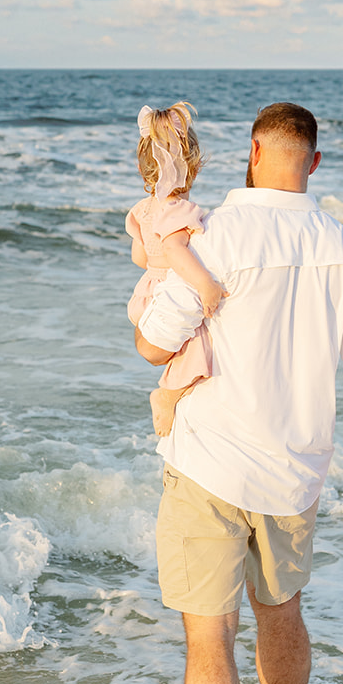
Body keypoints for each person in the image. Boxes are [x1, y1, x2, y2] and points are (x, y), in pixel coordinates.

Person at [135, 101, 343, 684]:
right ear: (312, 163)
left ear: (252, 152)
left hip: (210, 463)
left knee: (208, 635)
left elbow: (155, 346)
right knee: (280, 611)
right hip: (295, 472)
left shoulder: (214, 237)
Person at [126, 103, 225, 439]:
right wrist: (206, 284)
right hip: (165, 292)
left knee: (181, 351)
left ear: (144, 171)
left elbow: (140, 256)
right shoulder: (180, 210)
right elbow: (173, 250)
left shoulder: (143, 209)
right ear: (193, 167)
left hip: (144, 295)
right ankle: (166, 395)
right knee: (198, 349)